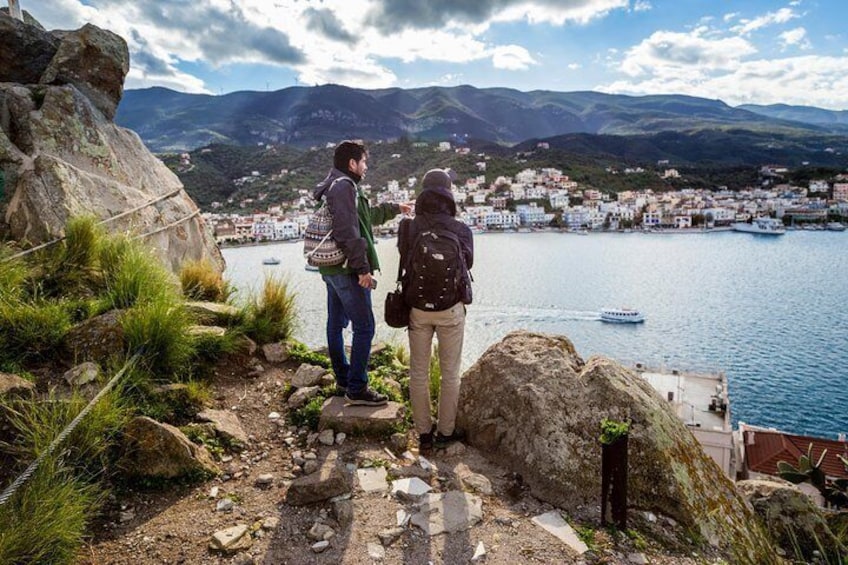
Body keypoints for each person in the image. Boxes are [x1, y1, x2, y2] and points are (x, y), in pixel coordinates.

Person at [313, 140, 411, 406]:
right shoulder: (344, 188)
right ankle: (356, 389)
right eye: (364, 162)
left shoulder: (333, 185)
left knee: (335, 325)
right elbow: (348, 232)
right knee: (365, 326)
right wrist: (363, 269)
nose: (366, 167)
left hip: (331, 267)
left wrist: (396, 209)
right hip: (347, 268)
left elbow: (365, 219)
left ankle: (344, 379)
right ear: (352, 163)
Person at [397, 169, 473, 450]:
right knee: (450, 373)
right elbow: (469, 264)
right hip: (451, 309)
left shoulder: (408, 227)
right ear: (449, 193)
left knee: (418, 372)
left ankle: (424, 434)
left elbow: (405, 259)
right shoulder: (461, 228)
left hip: (417, 309)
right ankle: (445, 432)